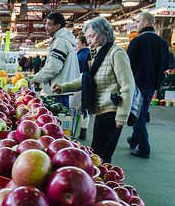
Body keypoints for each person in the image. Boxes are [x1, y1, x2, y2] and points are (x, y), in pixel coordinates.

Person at [53, 17, 134, 164]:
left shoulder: (116, 54)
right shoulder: (98, 54)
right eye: (87, 37)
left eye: (91, 36)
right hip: (102, 111)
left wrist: (122, 116)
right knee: (98, 152)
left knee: (101, 154)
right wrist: (63, 87)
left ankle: (102, 182)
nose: (88, 40)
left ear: (103, 34)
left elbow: (128, 86)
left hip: (112, 111)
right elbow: (85, 79)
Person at [126, 11, 169, 159]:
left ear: (146, 23)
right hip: (152, 85)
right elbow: (165, 65)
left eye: (138, 22)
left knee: (139, 115)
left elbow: (127, 64)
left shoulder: (137, 41)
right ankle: (134, 140)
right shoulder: (162, 43)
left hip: (138, 84)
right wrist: (158, 85)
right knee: (141, 111)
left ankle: (144, 148)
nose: (136, 24)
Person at [32, 12, 77, 105]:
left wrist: (36, 78)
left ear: (58, 26)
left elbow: (54, 67)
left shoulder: (60, 41)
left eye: (49, 24)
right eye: (46, 24)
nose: (46, 27)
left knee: (58, 117)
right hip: (62, 89)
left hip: (58, 91)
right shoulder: (63, 39)